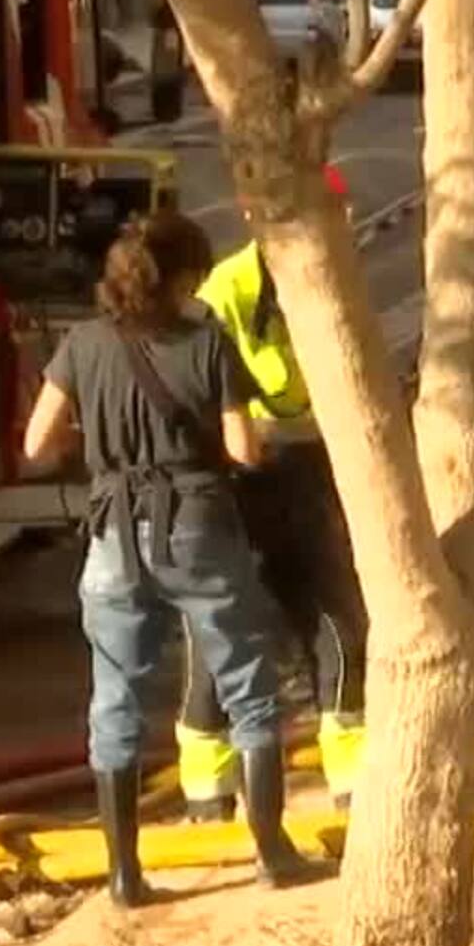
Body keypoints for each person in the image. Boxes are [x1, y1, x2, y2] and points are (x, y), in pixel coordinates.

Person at [22, 210, 317, 906]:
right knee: (246, 681)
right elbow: (243, 449)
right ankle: (273, 851)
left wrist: (98, 445)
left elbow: (37, 443)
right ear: (181, 278)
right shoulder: (207, 342)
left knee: (115, 698)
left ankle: (125, 875)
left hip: (112, 533)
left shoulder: (82, 344)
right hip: (196, 526)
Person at [174, 165, 371, 820]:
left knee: (337, 625)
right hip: (235, 483)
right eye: (325, 216)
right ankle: (209, 791)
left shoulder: (336, 285)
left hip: (308, 476)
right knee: (223, 632)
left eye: (339, 215)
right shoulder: (226, 291)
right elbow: (200, 394)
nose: (339, 229)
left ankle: (353, 780)